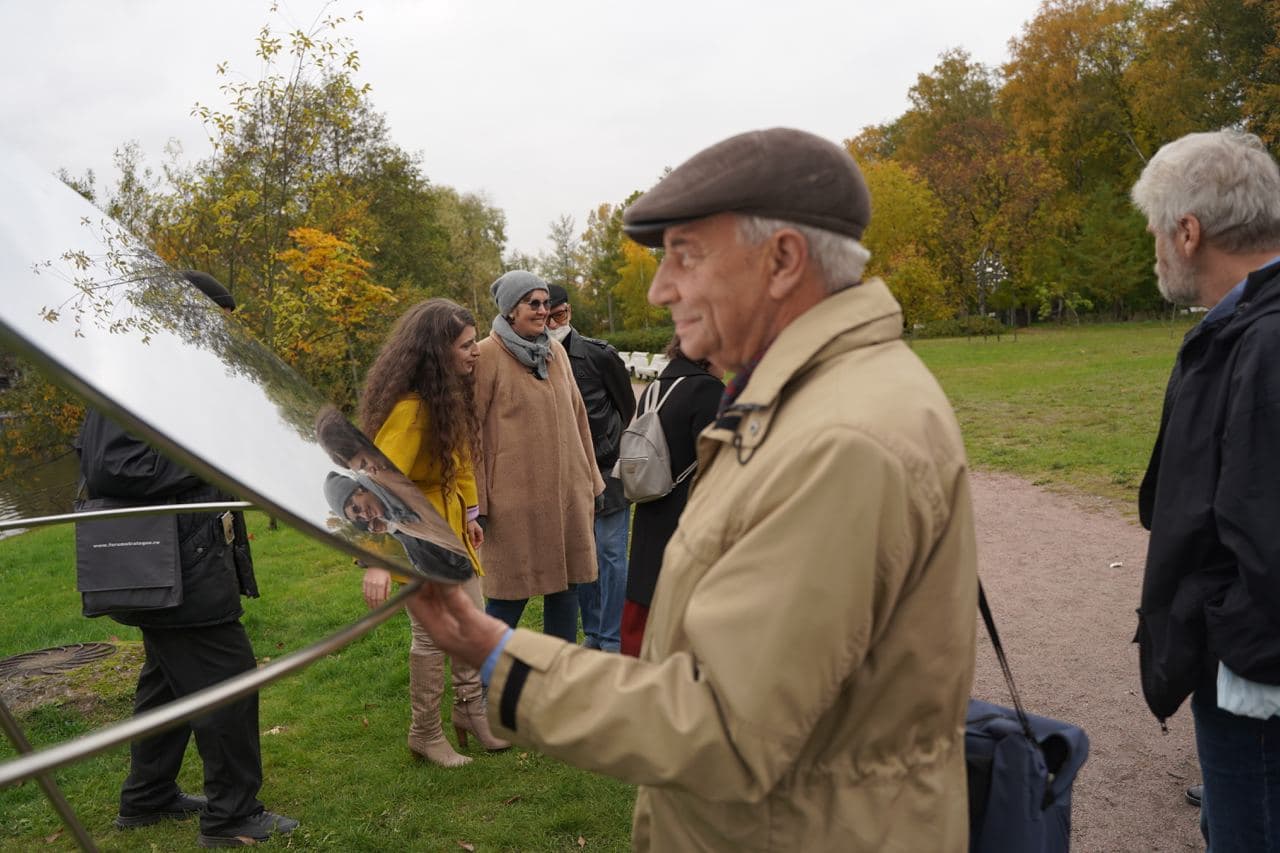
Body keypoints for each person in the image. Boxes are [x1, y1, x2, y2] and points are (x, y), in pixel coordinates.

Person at [407, 128, 978, 850]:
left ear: (783, 260)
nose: (659, 288)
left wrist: (491, 649)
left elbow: (721, 726)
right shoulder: (806, 399)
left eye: (685, 255)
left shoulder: (841, 440)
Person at [77, 271, 297, 848]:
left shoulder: (164, 374)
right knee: (227, 682)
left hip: (185, 559)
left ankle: (147, 799)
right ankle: (232, 816)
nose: (224, 335)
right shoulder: (131, 372)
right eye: (216, 322)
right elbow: (113, 467)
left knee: (168, 684)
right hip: (173, 564)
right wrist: (215, 461)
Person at [1129, 129, 1280, 852]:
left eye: (1157, 230)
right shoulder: (1244, 326)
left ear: (1187, 232)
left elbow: (1268, 535)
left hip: (1258, 686)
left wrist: (1222, 634)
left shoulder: (1266, 339)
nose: (1154, 248)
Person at [352, 298, 509, 766]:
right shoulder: (411, 411)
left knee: (469, 623)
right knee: (430, 638)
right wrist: (378, 559)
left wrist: (470, 517)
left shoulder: (446, 401)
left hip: (449, 535)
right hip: (415, 539)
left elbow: (459, 465)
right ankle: (425, 732)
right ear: (438, 353)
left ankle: (471, 711)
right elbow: (371, 482)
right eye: (465, 345)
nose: (475, 352)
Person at [472, 270, 604, 642]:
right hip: (513, 504)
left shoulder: (555, 351)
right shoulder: (485, 355)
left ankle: (555, 679)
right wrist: (477, 502)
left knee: (567, 591)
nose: (544, 310)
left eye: (546, 303)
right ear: (511, 310)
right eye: (534, 303)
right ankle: (484, 685)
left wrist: (591, 479)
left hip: (565, 497)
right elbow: (470, 433)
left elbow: (579, 416)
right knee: (506, 600)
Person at [545, 283, 636, 652]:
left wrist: (614, 455)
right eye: (546, 316)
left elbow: (629, 408)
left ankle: (614, 637)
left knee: (611, 554)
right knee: (583, 557)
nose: (553, 323)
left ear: (570, 311)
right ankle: (595, 633)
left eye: (560, 314)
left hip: (608, 469)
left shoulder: (599, 355)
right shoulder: (536, 360)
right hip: (567, 476)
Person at [620, 336, 722, 656]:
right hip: (686, 517)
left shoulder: (654, 388)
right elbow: (716, 466)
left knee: (646, 613)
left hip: (651, 510)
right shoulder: (708, 391)